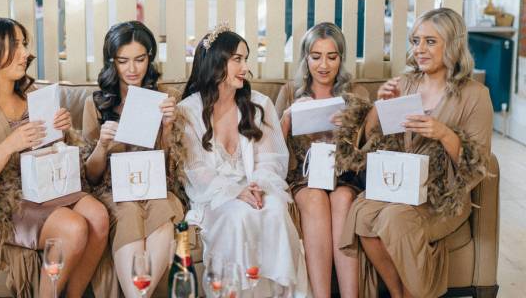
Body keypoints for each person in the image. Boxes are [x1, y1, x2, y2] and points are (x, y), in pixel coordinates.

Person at [335, 7, 493, 298]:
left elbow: (478, 163)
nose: (419, 49)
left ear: (453, 45)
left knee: (395, 219)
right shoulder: (405, 83)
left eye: (430, 41)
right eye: (415, 40)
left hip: (442, 196)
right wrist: (379, 107)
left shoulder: (475, 95)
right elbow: (373, 139)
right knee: (362, 211)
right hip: (402, 185)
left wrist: (443, 133)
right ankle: (398, 293)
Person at [0, 16, 110, 297]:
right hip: (7, 200)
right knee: (73, 228)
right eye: (16, 45)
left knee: (98, 216)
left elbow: (51, 151)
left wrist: (62, 130)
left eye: (24, 44)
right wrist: (10, 144)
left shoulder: (31, 94)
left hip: (48, 185)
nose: (26, 54)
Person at [174, 24, 309, 297]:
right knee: (237, 216)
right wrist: (236, 192)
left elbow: (273, 159)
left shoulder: (260, 104)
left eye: (245, 59)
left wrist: (256, 186)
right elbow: (196, 170)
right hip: (215, 196)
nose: (245, 67)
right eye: (237, 59)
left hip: (258, 188)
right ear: (216, 63)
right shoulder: (187, 111)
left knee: (274, 212)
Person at [82, 21, 184, 297]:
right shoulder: (96, 103)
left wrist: (168, 128)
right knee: (127, 211)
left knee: (163, 206)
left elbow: (174, 170)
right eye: (123, 61)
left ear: (149, 58)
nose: (132, 69)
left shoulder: (167, 98)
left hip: (157, 188)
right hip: (115, 191)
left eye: (140, 59)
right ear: (111, 62)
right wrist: (102, 145)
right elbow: (90, 177)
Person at [275, 22, 368, 297]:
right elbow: (272, 147)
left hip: (345, 175)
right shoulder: (290, 92)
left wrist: (352, 125)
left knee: (341, 199)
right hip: (305, 176)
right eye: (316, 57)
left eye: (332, 56)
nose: (324, 65)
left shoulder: (356, 93)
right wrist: (288, 116)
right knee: (315, 198)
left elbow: (370, 147)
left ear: (341, 58)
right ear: (306, 58)